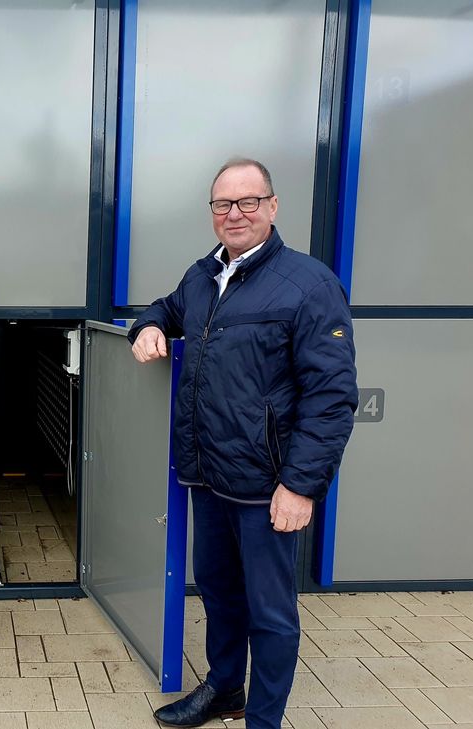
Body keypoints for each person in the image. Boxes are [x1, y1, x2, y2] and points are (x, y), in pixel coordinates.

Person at [129, 159, 357, 729]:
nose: (235, 214)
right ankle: (226, 689)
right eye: (223, 205)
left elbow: (332, 398)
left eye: (248, 202)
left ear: (273, 207)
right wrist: (149, 326)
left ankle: (264, 719)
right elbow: (167, 306)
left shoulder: (309, 284)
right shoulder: (204, 275)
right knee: (218, 594)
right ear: (212, 214)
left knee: (271, 613)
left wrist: (300, 486)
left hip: (267, 486)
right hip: (207, 476)